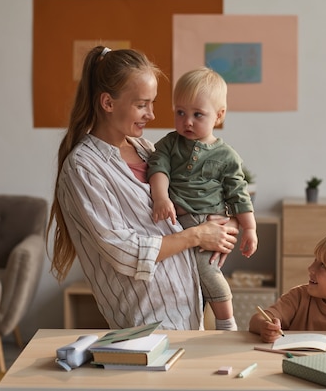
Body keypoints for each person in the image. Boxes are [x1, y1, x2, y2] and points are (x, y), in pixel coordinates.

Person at [48, 46, 239, 331]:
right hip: (145, 325)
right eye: (142, 104)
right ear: (108, 103)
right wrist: (197, 234)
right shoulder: (83, 167)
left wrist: (224, 224)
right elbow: (123, 251)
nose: (151, 115)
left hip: (188, 313)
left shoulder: (148, 150)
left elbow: (196, 198)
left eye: (153, 103)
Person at [147, 66, 257, 331]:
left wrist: (249, 228)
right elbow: (157, 168)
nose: (187, 121)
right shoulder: (169, 144)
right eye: (180, 112)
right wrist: (161, 198)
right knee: (190, 275)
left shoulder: (226, 156)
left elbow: (238, 193)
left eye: (198, 114)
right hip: (178, 221)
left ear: (218, 116)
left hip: (209, 221)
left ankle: (226, 322)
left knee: (207, 270)